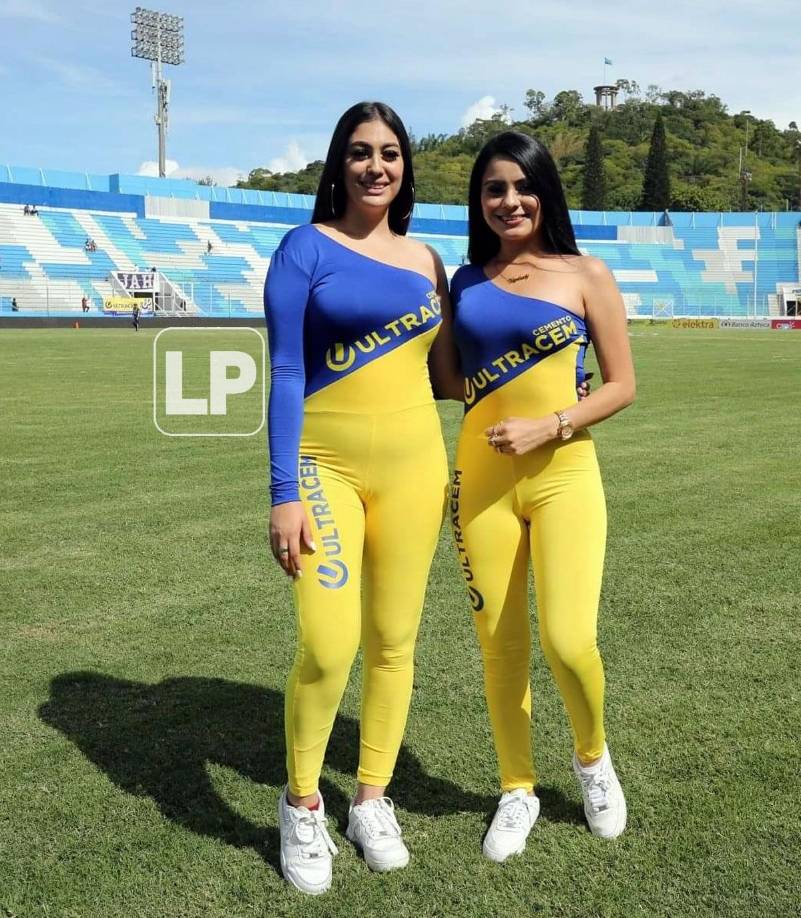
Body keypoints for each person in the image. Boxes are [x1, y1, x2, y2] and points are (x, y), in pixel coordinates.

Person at [264, 101, 453, 895]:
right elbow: (284, 371)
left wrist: (548, 381)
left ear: (405, 165)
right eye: (359, 152)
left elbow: (447, 376)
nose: (376, 165)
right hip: (322, 469)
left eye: (389, 152)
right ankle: (301, 801)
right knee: (329, 642)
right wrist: (282, 493)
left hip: (416, 468)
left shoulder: (429, 261)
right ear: (337, 165)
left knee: (393, 640)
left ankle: (370, 798)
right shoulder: (305, 248)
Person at [445, 132, 636, 860]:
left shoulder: (585, 273)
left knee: (567, 638)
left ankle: (591, 760)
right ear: (478, 201)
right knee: (499, 645)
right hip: (479, 482)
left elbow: (620, 384)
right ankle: (515, 787)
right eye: (492, 189)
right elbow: (440, 378)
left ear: (543, 192)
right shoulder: (461, 282)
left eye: (520, 187)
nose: (508, 201)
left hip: (564, 475)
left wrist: (551, 423)